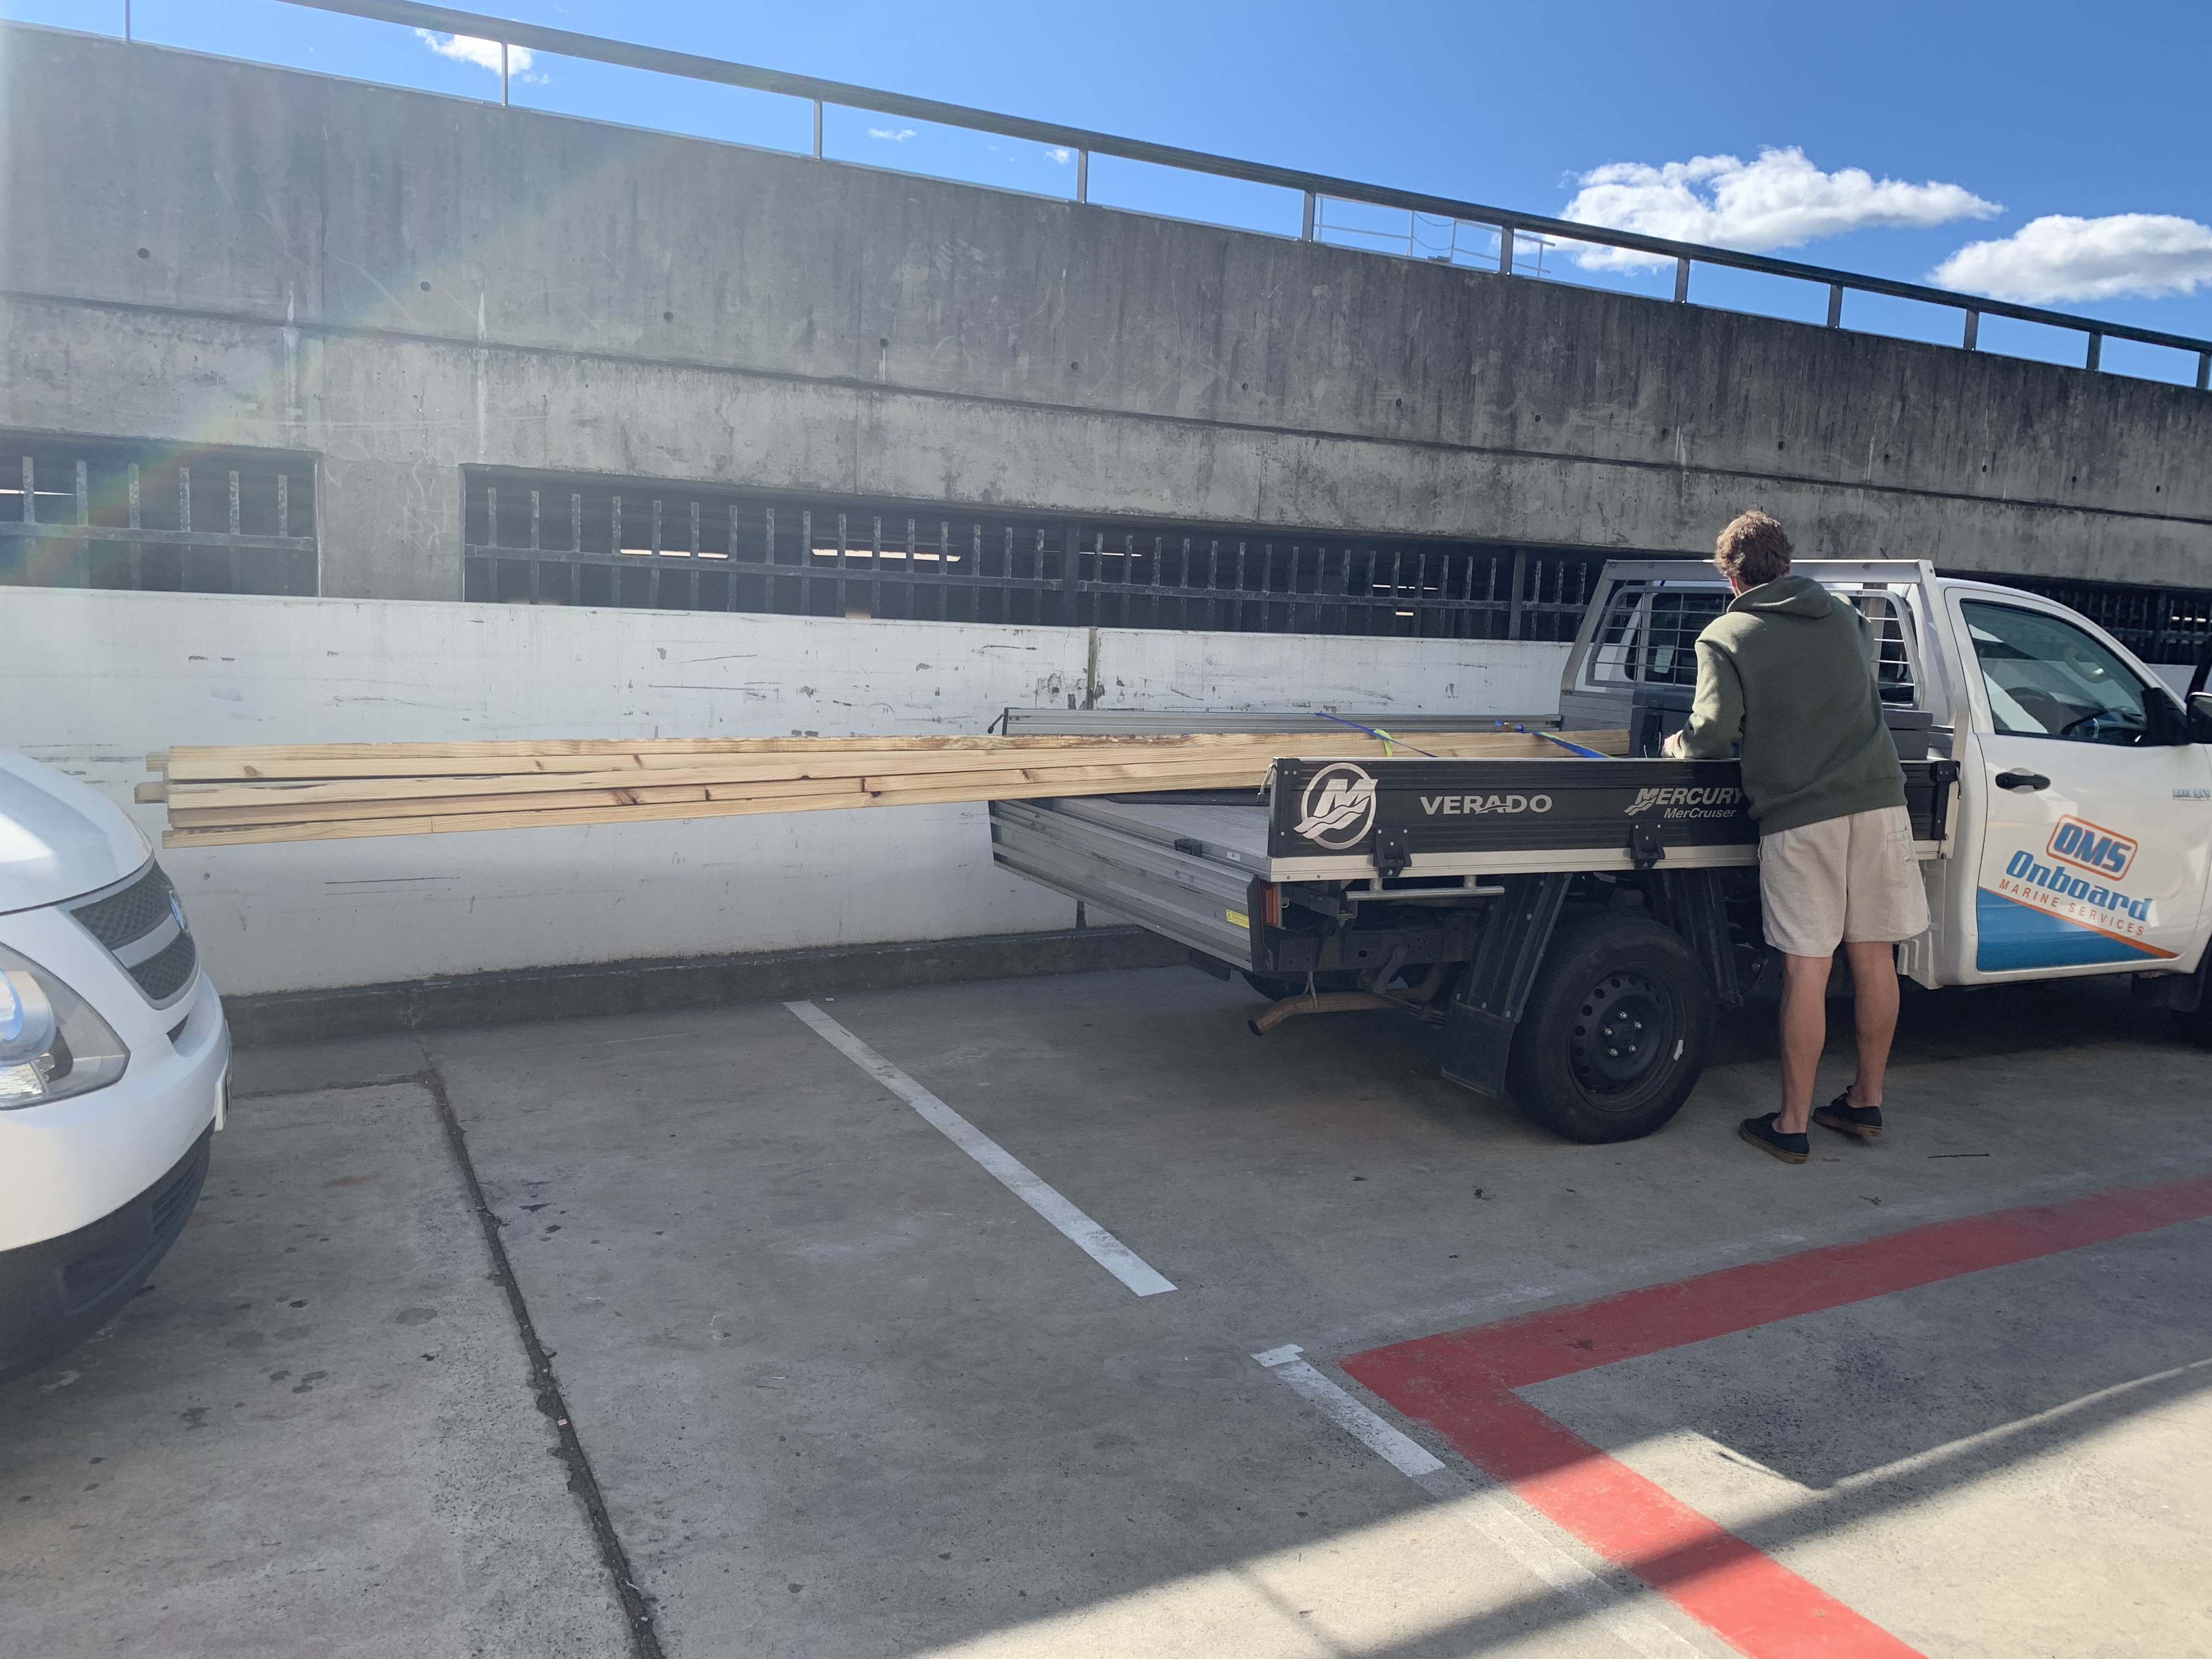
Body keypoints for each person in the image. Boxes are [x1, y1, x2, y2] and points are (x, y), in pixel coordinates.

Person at [1663, 510, 1929, 1163]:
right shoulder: (1846, 618)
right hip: (1880, 803)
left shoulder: (1727, 634)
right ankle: (1866, 1100)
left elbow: (1714, 733)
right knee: (1874, 957)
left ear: (1731, 576)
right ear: (1787, 563)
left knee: (1806, 969)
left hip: (1802, 815)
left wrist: (1676, 746)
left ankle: (1791, 1124)